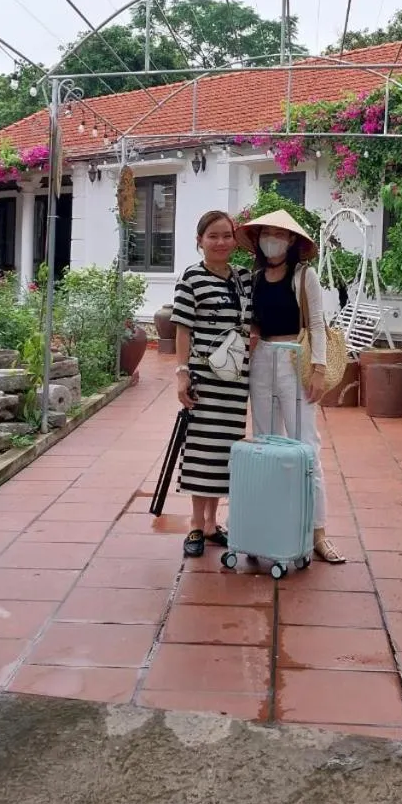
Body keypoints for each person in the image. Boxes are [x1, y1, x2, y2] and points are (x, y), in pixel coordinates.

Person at [236, 209, 346, 564]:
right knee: (266, 445)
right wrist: (252, 336)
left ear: (292, 241)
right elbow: (253, 321)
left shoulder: (304, 276)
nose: (272, 240)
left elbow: (316, 323)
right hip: (262, 361)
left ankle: (317, 532)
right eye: (266, 233)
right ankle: (270, 528)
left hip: (295, 359)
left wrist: (318, 369)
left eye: (279, 234)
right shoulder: (254, 277)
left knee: (305, 447)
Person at [170, 210, 252, 558]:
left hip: (235, 380)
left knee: (224, 451)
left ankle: (212, 523)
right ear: (199, 241)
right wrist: (182, 373)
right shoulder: (191, 278)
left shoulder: (245, 278)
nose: (220, 242)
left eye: (227, 235)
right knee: (201, 450)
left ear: (235, 240)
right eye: (212, 236)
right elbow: (182, 329)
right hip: (205, 377)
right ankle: (194, 523)